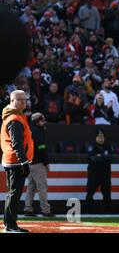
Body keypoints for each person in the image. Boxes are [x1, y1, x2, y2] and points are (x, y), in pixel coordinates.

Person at [0, 90, 34, 233]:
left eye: (24, 99)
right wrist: (24, 162)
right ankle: (10, 225)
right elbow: (17, 143)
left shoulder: (14, 117)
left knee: (12, 193)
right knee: (14, 194)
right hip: (15, 161)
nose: (23, 102)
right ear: (12, 101)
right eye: (20, 99)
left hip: (12, 160)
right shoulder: (14, 118)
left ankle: (10, 224)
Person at [24, 112, 53, 217]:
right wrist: (46, 162)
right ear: (37, 121)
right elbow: (42, 148)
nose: (44, 122)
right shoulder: (39, 132)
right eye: (42, 120)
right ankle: (46, 210)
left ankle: (28, 208)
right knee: (42, 187)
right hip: (38, 164)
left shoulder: (29, 131)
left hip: (30, 163)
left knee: (31, 187)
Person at [86, 130, 113, 213]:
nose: (101, 139)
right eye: (99, 137)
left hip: (105, 174)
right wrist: (103, 157)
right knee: (90, 192)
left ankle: (108, 212)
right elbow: (92, 158)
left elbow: (111, 157)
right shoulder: (91, 146)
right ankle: (88, 211)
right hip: (94, 173)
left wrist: (100, 156)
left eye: (102, 137)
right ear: (96, 138)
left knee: (107, 193)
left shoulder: (108, 146)